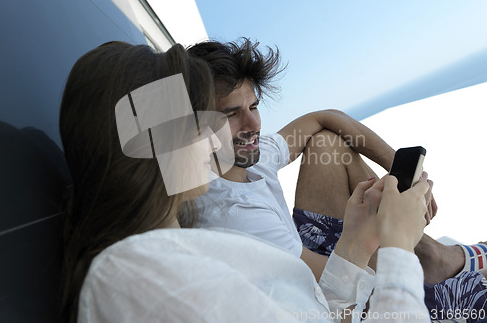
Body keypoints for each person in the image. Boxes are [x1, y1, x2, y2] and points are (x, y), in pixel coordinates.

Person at [60, 41, 431, 323]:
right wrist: (398, 246)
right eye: (195, 124)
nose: (211, 141)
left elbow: (311, 311)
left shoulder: (169, 253)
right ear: (150, 148)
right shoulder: (139, 275)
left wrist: (357, 241)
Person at [188, 39, 487, 321]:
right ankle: (433, 280)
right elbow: (331, 294)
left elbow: (324, 117)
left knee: (325, 143)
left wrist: (397, 166)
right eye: (231, 114)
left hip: (303, 257)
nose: (253, 124)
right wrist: (395, 231)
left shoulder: (243, 157)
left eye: (253, 106)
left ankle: (432, 256)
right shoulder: (235, 217)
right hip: (324, 298)